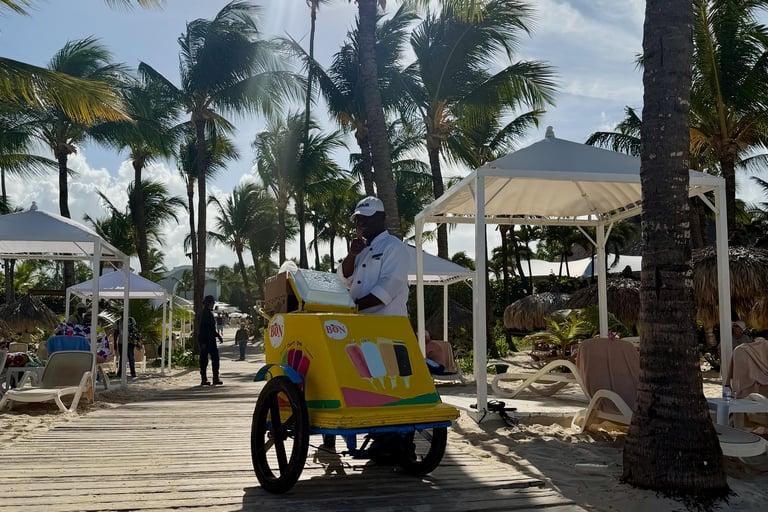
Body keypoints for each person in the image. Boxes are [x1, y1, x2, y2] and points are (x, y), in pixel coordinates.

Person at [337, 196, 409, 317]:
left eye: (366, 218)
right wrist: (352, 254)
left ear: (381, 218)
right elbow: (345, 279)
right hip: (360, 321)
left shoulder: (394, 246)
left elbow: (387, 288)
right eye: (358, 219)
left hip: (387, 323)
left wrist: (353, 306)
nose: (361, 223)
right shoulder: (360, 249)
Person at [199, 295, 224, 386]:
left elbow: (212, 329)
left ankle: (215, 377)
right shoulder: (204, 314)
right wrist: (202, 342)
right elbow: (203, 329)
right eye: (213, 303)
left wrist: (218, 336)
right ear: (209, 303)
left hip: (211, 340)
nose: (213, 304)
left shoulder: (209, 313)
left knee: (215, 359)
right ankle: (204, 378)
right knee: (204, 361)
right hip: (205, 341)